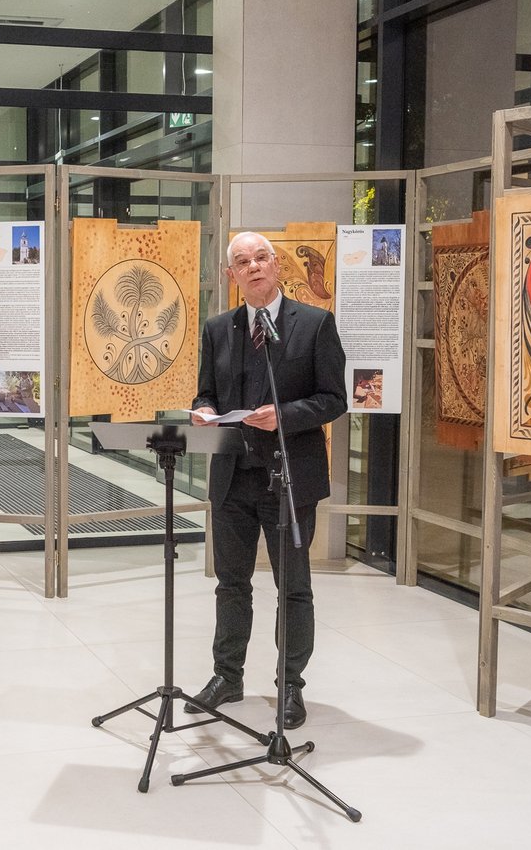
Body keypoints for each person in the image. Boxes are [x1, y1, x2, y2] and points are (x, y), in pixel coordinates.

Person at [187, 231, 347, 728]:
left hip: (290, 478)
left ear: (276, 266)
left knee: (292, 587)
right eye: (242, 261)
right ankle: (226, 676)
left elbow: (334, 399)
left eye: (261, 258)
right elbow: (205, 392)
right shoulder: (218, 329)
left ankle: (290, 684)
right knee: (231, 584)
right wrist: (203, 410)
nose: (253, 266)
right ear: (232, 275)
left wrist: (284, 415)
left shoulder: (315, 324)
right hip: (233, 477)